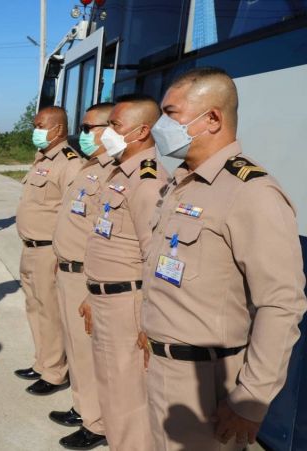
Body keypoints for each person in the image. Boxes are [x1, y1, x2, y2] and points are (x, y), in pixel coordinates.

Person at [141, 67, 306, 450]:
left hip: (208, 382)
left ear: (212, 118)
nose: (160, 125)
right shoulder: (181, 182)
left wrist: (251, 400)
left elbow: (281, 304)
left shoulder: (251, 192)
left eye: (171, 114)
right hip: (163, 368)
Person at [81, 94, 167, 450]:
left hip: (127, 304)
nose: (105, 134)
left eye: (114, 126)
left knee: (128, 400)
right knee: (112, 393)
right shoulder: (119, 173)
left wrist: (150, 320)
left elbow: (154, 256)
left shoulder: (147, 181)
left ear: (141, 131)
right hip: (105, 299)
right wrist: (90, 294)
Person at [49, 102, 114, 449]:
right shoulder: (90, 168)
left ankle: (97, 422)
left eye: (90, 128)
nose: (83, 135)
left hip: (86, 275)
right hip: (68, 270)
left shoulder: (113, 174)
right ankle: (82, 407)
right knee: (76, 348)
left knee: (90, 352)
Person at [14, 106, 82, 395]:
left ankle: (54, 372)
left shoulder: (70, 163)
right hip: (29, 249)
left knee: (51, 314)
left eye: (40, 125)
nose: (35, 130)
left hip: (48, 252)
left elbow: (74, 215)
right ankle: (42, 362)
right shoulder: (42, 159)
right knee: (36, 308)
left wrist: (63, 254)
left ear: (58, 129)